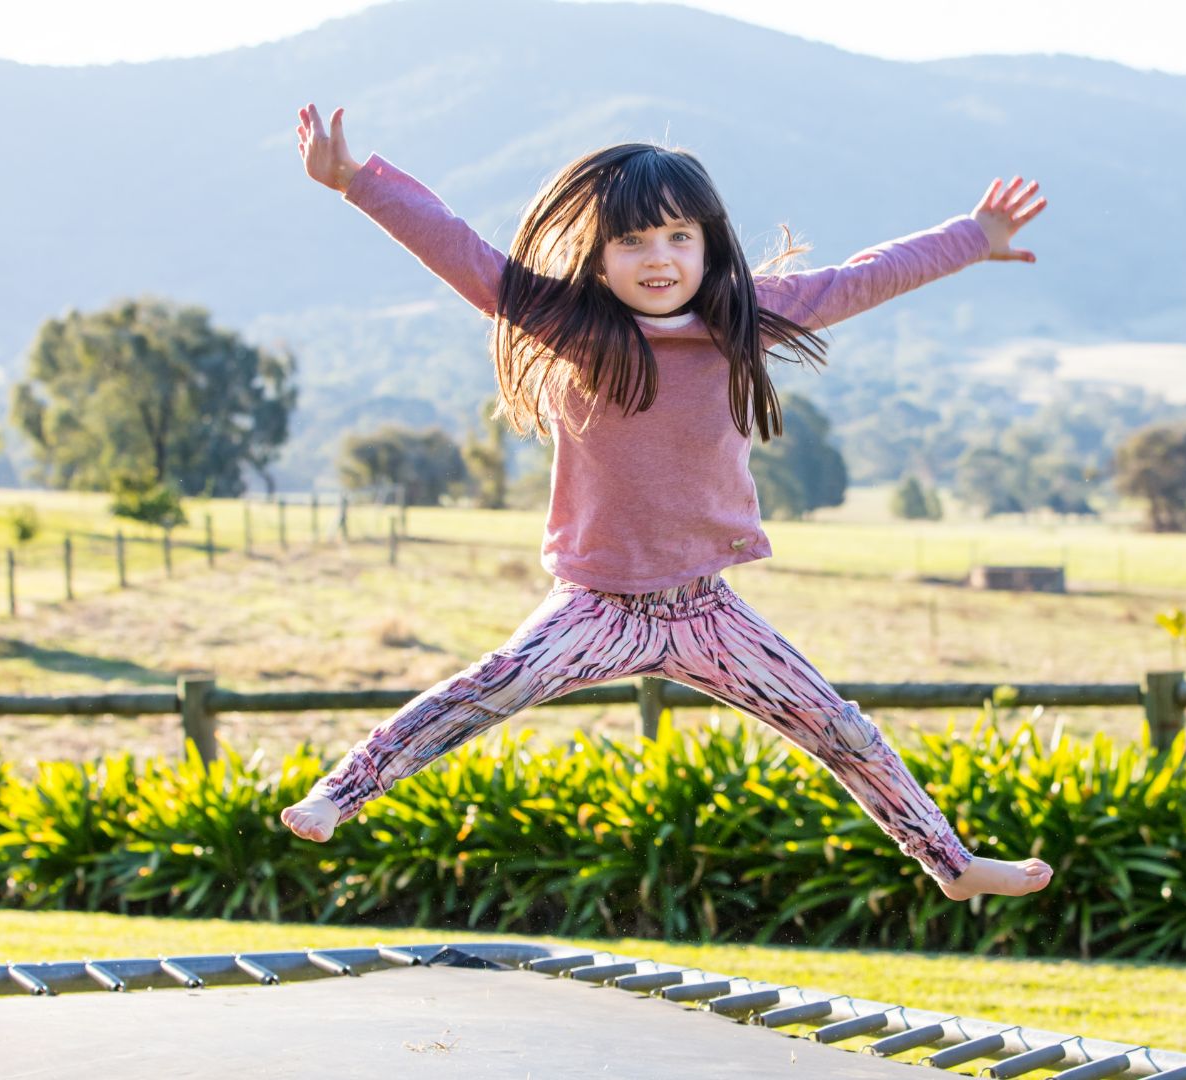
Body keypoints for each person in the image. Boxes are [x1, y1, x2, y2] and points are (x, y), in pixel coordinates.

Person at [281, 103, 1052, 901]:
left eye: (680, 236)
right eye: (634, 240)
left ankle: (952, 867)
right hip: (596, 606)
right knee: (490, 687)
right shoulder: (573, 326)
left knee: (839, 727)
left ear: (709, 246)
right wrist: (353, 181)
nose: (660, 257)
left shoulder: (746, 320)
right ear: (601, 257)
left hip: (707, 611)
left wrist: (974, 237)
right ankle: (341, 793)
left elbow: (865, 275)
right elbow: (464, 253)